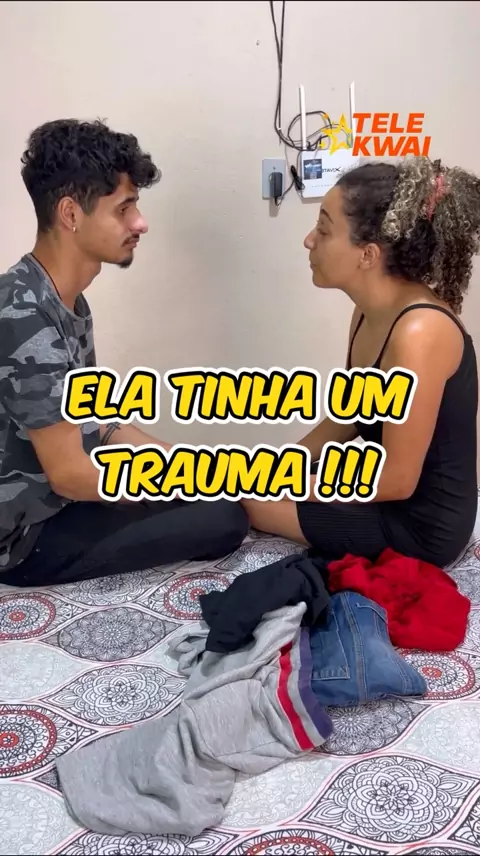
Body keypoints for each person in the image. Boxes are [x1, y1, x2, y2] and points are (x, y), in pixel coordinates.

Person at [0, 119, 248, 587]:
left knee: (211, 488)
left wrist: (183, 466)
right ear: (71, 214)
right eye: (124, 208)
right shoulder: (23, 313)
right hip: (26, 538)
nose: (140, 223)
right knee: (225, 519)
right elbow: (70, 476)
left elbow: (95, 420)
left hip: (63, 502)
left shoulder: (64, 299)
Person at [241, 157, 480, 568]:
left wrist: (295, 484)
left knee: (252, 505)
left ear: (367, 254)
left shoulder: (419, 333)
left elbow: (398, 480)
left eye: (323, 229)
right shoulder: (368, 312)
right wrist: (281, 465)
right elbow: (350, 416)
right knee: (250, 482)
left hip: (422, 525)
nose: (309, 240)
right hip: (383, 493)